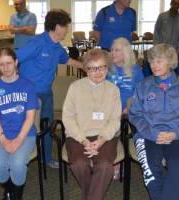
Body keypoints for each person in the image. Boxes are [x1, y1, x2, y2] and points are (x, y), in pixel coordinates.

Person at [16, 9, 83, 168]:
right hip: (29, 94)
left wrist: (86, 67)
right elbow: (15, 59)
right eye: (65, 26)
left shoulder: (57, 47)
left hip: (46, 93)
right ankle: (20, 157)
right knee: (26, 127)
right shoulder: (37, 42)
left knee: (47, 127)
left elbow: (68, 62)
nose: (67, 29)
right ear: (56, 26)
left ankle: (45, 159)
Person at [63, 49, 122, 200]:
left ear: (107, 68)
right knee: (78, 164)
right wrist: (83, 140)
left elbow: (115, 120)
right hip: (78, 135)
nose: (98, 72)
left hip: (105, 136)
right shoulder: (75, 87)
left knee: (105, 167)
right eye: (93, 68)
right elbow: (68, 118)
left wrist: (101, 139)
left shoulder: (113, 90)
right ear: (85, 69)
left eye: (102, 67)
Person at [0, 47, 39, 200]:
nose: (6, 68)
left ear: (16, 62)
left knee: (17, 164)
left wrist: (18, 140)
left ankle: (16, 196)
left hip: (25, 134)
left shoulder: (28, 86)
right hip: (0, 135)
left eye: (9, 63)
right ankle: (10, 189)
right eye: (1, 64)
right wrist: (3, 139)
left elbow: (30, 118)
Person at [129, 44, 179, 200]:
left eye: (159, 61)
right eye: (151, 61)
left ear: (170, 62)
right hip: (148, 135)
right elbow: (135, 115)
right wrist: (152, 133)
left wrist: (175, 133)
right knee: (151, 170)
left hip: (175, 135)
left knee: (177, 169)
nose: (154, 66)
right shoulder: (143, 85)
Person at [106, 37, 143, 179]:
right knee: (109, 132)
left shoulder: (136, 70)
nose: (112, 53)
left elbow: (140, 93)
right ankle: (114, 161)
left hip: (129, 110)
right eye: (112, 50)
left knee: (136, 129)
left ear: (126, 53)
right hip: (111, 111)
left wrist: (129, 107)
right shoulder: (108, 69)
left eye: (117, 50)